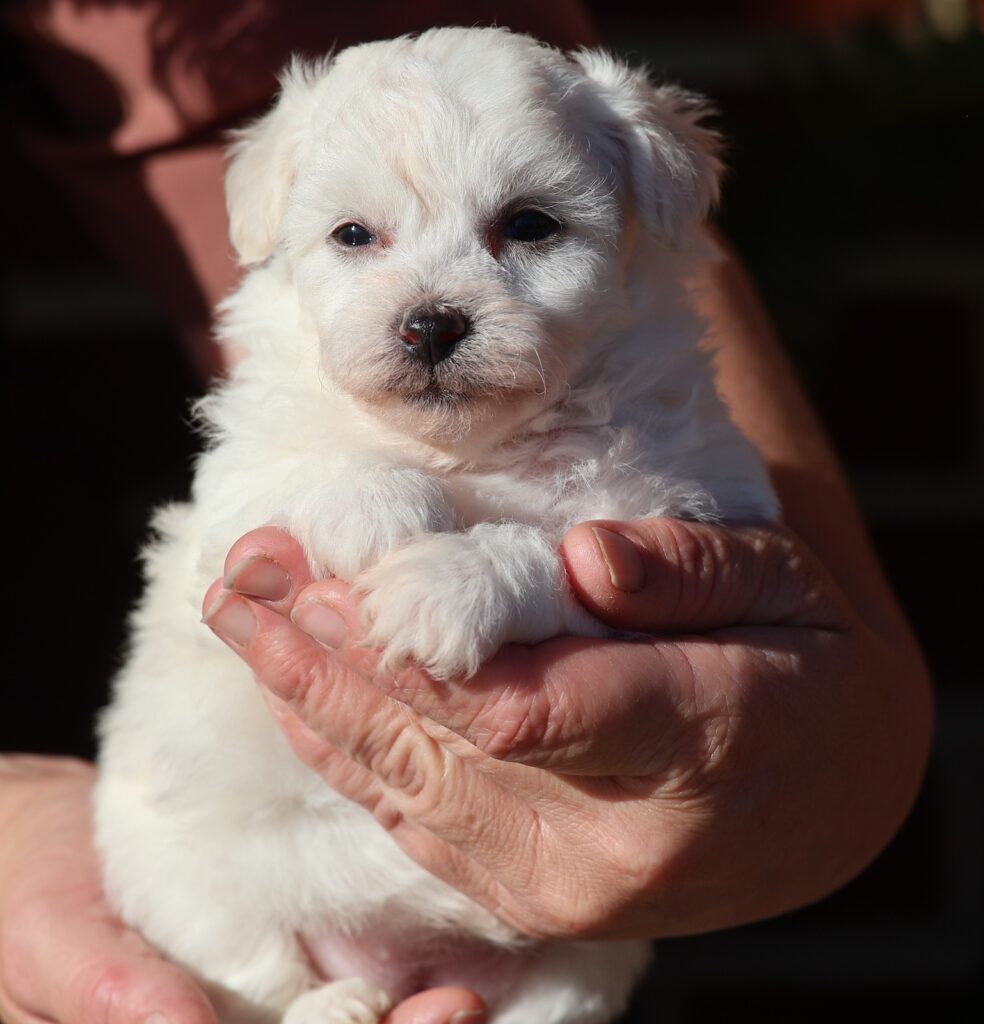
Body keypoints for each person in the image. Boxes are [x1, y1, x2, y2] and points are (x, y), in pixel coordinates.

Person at [0, 3, 933, 1023]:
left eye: (527, 227)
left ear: (646, 219)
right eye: (356, 236)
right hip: (258, 901)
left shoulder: (670, 423)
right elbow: (256, 544)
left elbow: (716, 585)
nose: (433, 303)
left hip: (537, 959)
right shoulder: (292, 428)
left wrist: (529, 575)